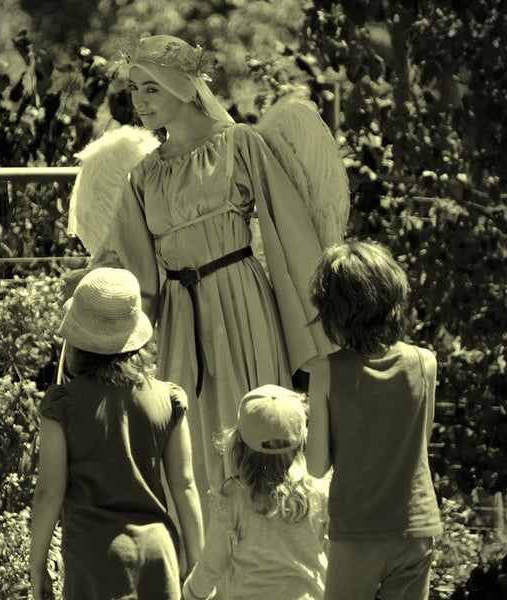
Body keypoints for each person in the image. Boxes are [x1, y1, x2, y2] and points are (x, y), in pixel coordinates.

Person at [91, 33, 339, 514]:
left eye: (150, 89)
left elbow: (291, 232)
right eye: (134, 90)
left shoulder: (240, 146)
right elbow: (139, 276)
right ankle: (211, 572)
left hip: (243, 303)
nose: (138, 102)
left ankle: (279, 557)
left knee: (260, 426)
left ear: (182, 86)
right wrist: (104, 330)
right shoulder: (142, 177)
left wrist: (322, 321)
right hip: (183, 320)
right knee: (193, 444)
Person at [30, 267, 204, 600]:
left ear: (77, 339)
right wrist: (197, 564)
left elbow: (49, 492)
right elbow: (184, 485)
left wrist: (37, 569)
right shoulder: (167, 399)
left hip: (94, 560)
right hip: (158, 557)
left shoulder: (62, 405)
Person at [305, 240, 442, 600]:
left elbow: (317, 467)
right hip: (416, 527)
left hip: (357, 532)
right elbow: (419, 446)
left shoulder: (324, 373)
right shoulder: (425, 363)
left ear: (333, 312)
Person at [182, 384, 329, 600]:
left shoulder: (233, 498)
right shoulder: (318, 491)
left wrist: (191, 594)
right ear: (302, 439)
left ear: (239, 443)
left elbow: (212, 564)